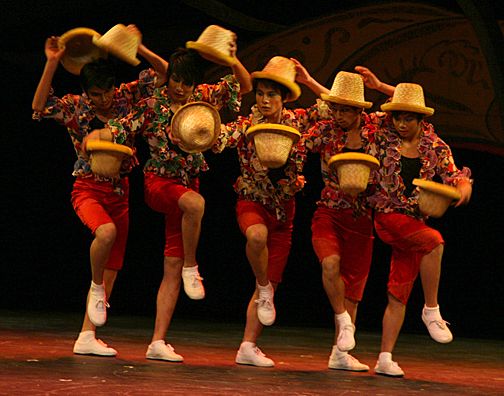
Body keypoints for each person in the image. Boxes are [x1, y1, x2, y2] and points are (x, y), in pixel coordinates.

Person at [96, 41, 252, 362]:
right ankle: (193, 267)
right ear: (168, 78)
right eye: (176, 80)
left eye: (187, 82)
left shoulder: (201, 100)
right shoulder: (153, 104)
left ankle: (157, 341)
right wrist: (97, 137)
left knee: (171, 265)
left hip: (186, 187)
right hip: (159, 184)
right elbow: (121, 127)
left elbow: (243, 85)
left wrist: (234, 60)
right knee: (196, 204)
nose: (181, 88)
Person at [31, 25, 169, 356]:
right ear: (87, 92)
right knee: (104, 234)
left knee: (113, 264)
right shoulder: (77, 107)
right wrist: (52, 61)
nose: (103, 100)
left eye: (106, 92)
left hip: (120, 192)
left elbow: (165, 73)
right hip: (88, 188)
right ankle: (95, 290)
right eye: (96, 95)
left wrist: (140, 45)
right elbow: (39, 104)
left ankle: (86, 335)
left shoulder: (126, 97)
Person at [215, 56, 332, 367]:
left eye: (272, 95)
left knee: (268, 284)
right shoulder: (246, 124)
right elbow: (217, 140)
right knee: (256, 236)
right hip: (252, 203)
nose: (265, 100)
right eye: (261, 94)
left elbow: (333, 107)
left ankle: (248, 346)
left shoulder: (298, 122)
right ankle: (264, 287)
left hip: (284, 212)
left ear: (283, 99)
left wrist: (308, 82)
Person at [292, 60, 395, 371]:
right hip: (329, 212)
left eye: (345, 110)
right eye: (335, 109)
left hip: (362, 216)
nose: (338, 115)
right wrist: (295, 174)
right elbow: (298, 147)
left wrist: (378, 87)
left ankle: (340, 354)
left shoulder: (376, 127)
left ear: (359, 112)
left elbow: (411, 106)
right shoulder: (325, 130)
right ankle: (341, 318)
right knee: (330, 263)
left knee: (353, 288)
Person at [368, 82, 473, 377]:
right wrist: (378, 87)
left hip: (413, 222)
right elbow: (353, 111)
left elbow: (454, 176)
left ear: (420, 120)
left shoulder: (436, 146)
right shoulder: (382, 134)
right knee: (435, 242)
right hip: (388, 216)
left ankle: (385, 357)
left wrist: (463, 188)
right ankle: (431, 309)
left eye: (408, 118)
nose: (401, 123)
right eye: (397, 117)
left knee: (398, 291)